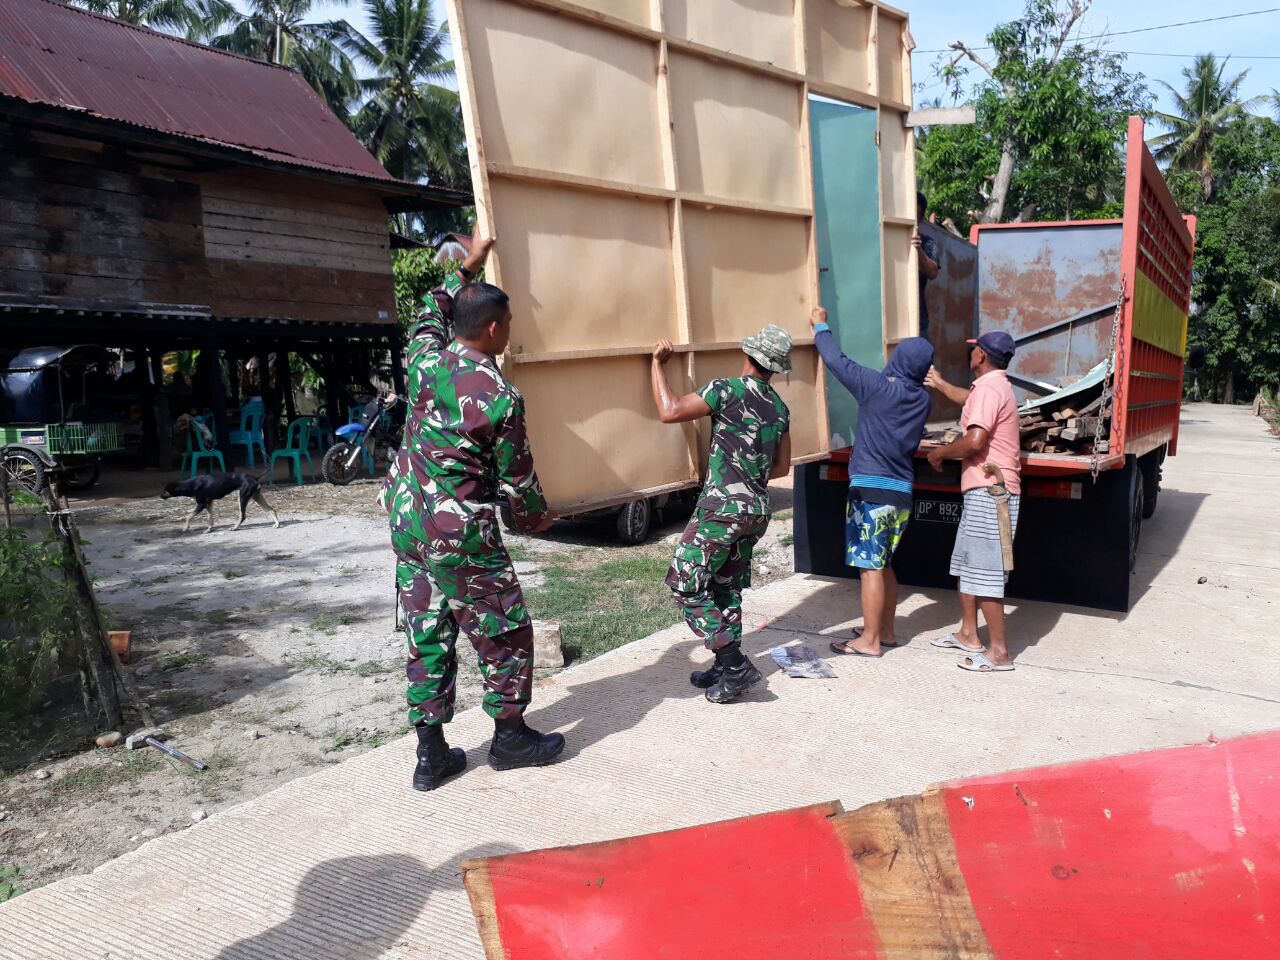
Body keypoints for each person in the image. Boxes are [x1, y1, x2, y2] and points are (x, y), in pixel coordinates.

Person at [381, 236, 564, 792]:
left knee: (427, 631)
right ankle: (509, 738)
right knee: (502, 627)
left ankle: (430, 754)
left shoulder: (423, 360)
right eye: (507, 322)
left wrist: (466, 269)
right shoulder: (499, 394)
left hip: (408, 525)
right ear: (493, 330)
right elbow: (518, 480)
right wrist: (538, 519)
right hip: (460, 533)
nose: (509, 332)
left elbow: (426, 314)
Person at [650, 326, 792, 704]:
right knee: (724, 587)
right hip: (757, 511)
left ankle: (734, 664)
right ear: (775, 367)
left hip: (722, 508)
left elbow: (670, 410)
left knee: (685, 582)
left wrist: (657, 365)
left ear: (748, 355)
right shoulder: (779, 408)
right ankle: (725, 669)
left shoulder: (726, 389)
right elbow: (781, 467)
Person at [810, 307, 934, 657]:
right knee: (883, 564)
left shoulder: (879, 388)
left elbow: (837, 361)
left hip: (871, 492)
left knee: (869, 568)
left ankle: (869, 641)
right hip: (900, 493)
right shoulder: (921, 399)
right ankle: (886, 631)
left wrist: (820, 324)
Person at [924, 331, 1022, 672]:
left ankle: (999, 653)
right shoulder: (992, 387)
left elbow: (975, 440)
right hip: (983, 490)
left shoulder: (989, 389)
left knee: (986, 573)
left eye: (973, 351)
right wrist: (939, 383)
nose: (971, 355)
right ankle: (969, 633)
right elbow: (969, 398)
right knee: (968, 564)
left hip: (991, 492)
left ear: (981, 355)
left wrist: (940, 454)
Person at [914, 191, 940, 341]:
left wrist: (918, 249)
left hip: (918, 321)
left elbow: (932, 272)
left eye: (915, 217)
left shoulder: (927, 242)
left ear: (921, 220)